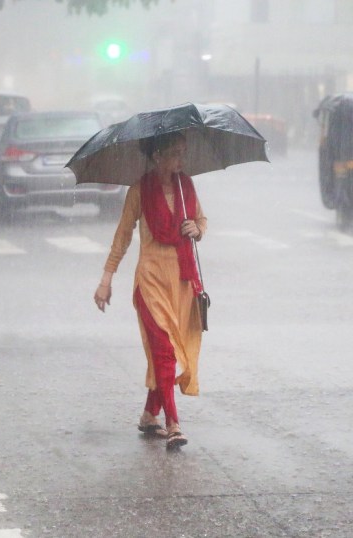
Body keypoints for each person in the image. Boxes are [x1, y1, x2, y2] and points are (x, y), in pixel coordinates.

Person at [93, 131, 206, 450]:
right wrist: (106, 279)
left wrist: (196, 229)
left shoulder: (187, 187)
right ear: (157, 156)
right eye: (175, 153)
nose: (181, 160)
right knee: (165, 352)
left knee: (168, 352)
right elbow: (123, 236)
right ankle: (173, 423)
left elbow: (202, 220)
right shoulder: (139, 191)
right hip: (151, 281)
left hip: (182, 282)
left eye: (183, 152)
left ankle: (148, 416)